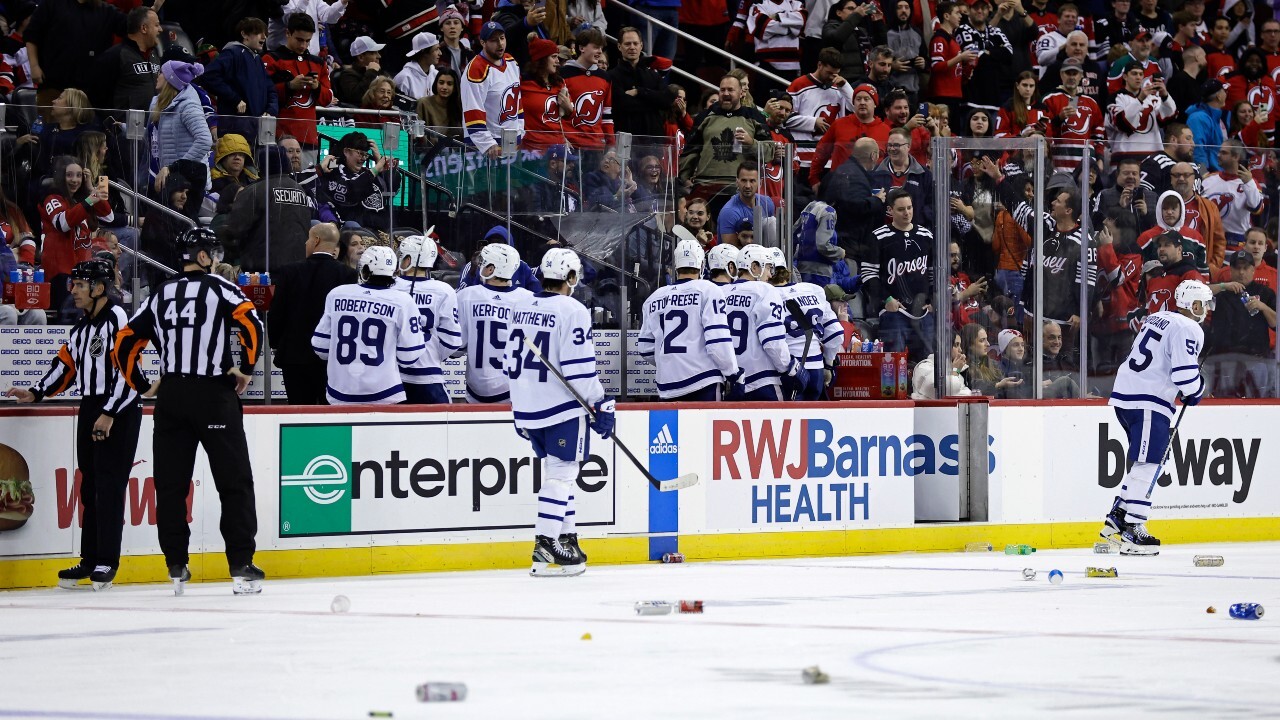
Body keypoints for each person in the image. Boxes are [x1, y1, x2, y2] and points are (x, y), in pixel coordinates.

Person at [111, 228, 265, 595]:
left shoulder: (161, 293)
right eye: (210, 251)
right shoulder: (220, 288)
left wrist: (142, 383)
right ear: (200, 256)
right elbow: (251, 321)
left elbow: (125, 341)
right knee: (234, 481)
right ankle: (241, 563)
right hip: (213, 394)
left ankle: (176, 563)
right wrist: (245, 366)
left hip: (173, 397)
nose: (213, 257)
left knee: (170, 484)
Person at [7, 259, 146, 590]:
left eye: (80, 286)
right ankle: (90, 558)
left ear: (98, 289)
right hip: (92, 406)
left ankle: (107, 561)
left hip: (120, 409)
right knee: (90, 487)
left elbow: (130, 373)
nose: (73, 291)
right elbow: (65, 366)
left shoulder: (118, 319)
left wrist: (110, 413)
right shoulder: (83, 327)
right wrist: (36, 392)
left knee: (110, 487)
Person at [504, 247, 611, 576]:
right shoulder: (573, 309)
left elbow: (508, 361)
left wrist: (519, 403)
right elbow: (579, 371)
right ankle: (546, 545)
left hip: (525, 407)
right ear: (571, 277)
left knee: (559, 475)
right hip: (561, 408)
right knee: (562, 475)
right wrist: (601, 404)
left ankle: (567, 538)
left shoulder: (520, 306)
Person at [1103, 279, 1210, 556]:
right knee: (1150, 463)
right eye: (1205, 305)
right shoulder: (1190, 327)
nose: (1207, 311)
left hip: (1125, 396)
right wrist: (1196, 391)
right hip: (1149, 400)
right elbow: (1185, 376)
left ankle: (1116, 520)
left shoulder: (1157, 317)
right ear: (1194, 305)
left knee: (1144, 462)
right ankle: (1134, 530)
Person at [311, 244, 428, 405]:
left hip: (339, 393)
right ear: (393, 271)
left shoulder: (337, 294)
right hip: (385, 393)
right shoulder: (402, 300)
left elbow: (321, 347)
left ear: (363, 268)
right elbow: (409, 356)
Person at [637, 239, 740, 401]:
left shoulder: (654, 297)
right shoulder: (708, 290)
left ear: (676, 267)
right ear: (701, 266)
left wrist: (671, 362)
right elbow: (717, 341)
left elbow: (645, 348)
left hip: (667, 385)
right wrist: (732, 372)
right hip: (703, 381)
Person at [268, 223, 356, 405]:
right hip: (332, 359)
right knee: (329, 412)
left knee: (298, 412)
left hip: (294, 357)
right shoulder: (347, 274)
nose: (306, 243)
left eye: (308, 239)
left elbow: (276, 313)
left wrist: (276, 343)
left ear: (316, 240)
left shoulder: (289, 271)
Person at [723, 243, 809, 401]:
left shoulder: (720, 293)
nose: (770, 275)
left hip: (730, 381)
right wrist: (790, 368)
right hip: (761, 381)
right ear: (754, 267)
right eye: (769, 268)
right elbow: (772, 341)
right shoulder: (765, 290)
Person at [455, 243, 534, 403]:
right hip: (515, 390)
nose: (479, 266)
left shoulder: (466, 295)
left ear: (491, 269)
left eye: (483, 262)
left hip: (476, 391)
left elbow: (458, 346)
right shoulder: (530, 300)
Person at [679, 74, 774, 203]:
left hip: (740, 188)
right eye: (722, 90)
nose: (725, 93)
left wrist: (751, 143)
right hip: (705, 186)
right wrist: (685, 179)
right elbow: (690, 150)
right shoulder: (705, 116)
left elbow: (769, 152)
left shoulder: (754, 116)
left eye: (730, 90)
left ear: (741, 93)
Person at [865, 188, 935, 361]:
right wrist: (886, 299)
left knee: (929, 361)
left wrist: (933, 300)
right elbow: (868, 275)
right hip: (893, 312)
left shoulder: (926, 235)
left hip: (923, 312)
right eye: (901, 209)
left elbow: (934, 274)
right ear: (890, 210)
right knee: (894, 362)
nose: (907, 213)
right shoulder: (879, 237)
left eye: (909, 208)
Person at [766, 246, 843, 399]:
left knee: (791, 420)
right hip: (816, 368)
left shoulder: (766, 295)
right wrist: (828, 364)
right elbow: (836, 332)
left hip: (789, 369)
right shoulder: (813, 290)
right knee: (811, 419)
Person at [41, 157, 114, 316]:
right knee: (70, 318)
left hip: (82, 270)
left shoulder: (82, 199)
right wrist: (90, 199)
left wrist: (89, 188)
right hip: (59, 272)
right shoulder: (51, 198)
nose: (75, 180)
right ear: (61, 176)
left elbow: (109, 217)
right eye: (69, 175)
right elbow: (62, 224)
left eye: (79, 175)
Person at [224, 145, 314, 272]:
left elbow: (234, 230)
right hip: (298, 267)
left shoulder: (254, 191)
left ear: (261, 165)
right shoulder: (300, 190)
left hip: (263, 269)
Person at [24, 0, 126, 109]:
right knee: (49, 121)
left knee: (89, 124)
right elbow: (31, 35)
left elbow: (133, 27)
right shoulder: (50, 4)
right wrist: (34, 66)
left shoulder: (107, 11)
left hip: (90, 88)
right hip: (53, 82)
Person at [1205, 249, 1276, 398]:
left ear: (1253, 270)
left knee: (1260, 406)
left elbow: (1276, 324)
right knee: (1222, 406)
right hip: (1224, 361)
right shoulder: (1221, 291)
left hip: (1256, 359)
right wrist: (1224, 286)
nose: (1241, 272)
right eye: (1237, 268)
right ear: (1230, 270)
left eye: (1245, 268)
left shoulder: (1265, 293)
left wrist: (1262, 307)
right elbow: (1199, 293)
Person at [151, 59, 215, 221]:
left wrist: (175, 167)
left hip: (189, 184)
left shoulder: (188, 106)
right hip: (173, 181)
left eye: (161, 73)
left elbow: (205, 140)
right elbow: (154, 135)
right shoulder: (164, 105)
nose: (157, 76)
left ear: (170, 79)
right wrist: (124, 128)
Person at [202, 17, 279, 143]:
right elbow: (209, 76)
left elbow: (271, 89)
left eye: (265, 33)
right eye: (258, 32)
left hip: (257, 130)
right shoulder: (232, 53)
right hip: (235, 129)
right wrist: (235, 99)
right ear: (244, 34)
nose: (264, 37)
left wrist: (270, 110)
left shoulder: (258, 60)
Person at [265, 14, 333, 153]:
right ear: (288, 33)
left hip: (309, 138)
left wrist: (316, 87)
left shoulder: (319, 63)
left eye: (308, 41)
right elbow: (261, 94)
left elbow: (328, 99)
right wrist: (289, 86)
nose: (303, 45)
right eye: (299, 40)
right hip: (279, 136)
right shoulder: (271, 59)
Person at [786, 48, 853, 176]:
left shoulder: (840, 87)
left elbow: (858, 109)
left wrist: (845, 87)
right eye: (828, 72)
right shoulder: (798, 85)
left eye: (835, 74)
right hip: (804, 158)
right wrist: (813, 122)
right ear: (819, 65)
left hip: (832, 159)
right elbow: (785, 118)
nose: (831, 77)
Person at [808, 83, 888, 188]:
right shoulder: (838, 125)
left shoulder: (886, 130)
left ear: (875, 103)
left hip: (873, 187)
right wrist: (814, 179)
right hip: (840, 186)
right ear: (853, 103)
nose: (862, 102)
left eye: (867, 99)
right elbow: (822, 152)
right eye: (858, 99)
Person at [461, 22, 522, 159]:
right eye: (493, 40)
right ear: (482, 42)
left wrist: (520, 133)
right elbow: (473, 111)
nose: (500, 44)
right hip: (485, 149)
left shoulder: (511, 61)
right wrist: (487, 144)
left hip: (512, 143)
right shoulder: (476, 69)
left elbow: (518, 103)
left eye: (502, 38)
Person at [316, 131, 399, 231]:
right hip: (356, 235)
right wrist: (376, 169)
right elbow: (352, 191)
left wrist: (378, 158)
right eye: (360, 153)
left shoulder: (367, 172)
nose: (363, 158)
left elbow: (393, 186)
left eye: (365, 154)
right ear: (346, 152)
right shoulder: (334, 171)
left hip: (382, 233)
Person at [94, 6, 161, 119]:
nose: (160, 29)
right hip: (124, 130)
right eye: (156, 25)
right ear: (144, 28)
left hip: (152, 128)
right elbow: (98, 95)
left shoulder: (154, 55)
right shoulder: (115, 55)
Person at [1200, 139, 1264, 256]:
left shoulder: (1250, 182)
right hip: (1209, 242)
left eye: (1224, 153)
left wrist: (1249, 183)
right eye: (1220, 152)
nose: (1218, 155)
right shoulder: (1209, 179)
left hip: (1237, 245)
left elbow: (1257, 208)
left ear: (1236, 156)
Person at [609, 27, 675, 139]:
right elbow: (622, 104)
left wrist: (639, 92)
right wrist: (653, 101)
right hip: (625, 140)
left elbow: (667, 100)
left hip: (654, 140)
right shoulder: (611, 76)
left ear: (641, 46)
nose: (632, 47)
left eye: (635, 43)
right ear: (619, 46)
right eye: (627, 44)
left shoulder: (653, 75)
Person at [560, 28, 614, 154]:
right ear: (581, 48)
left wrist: (611, 146)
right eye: (595, 47)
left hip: (596, 147)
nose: (600, 52)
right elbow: (556, 115)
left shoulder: (605, 77)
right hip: (570, 146)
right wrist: (561, 138)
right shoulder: (562, 75)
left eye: (601, 48)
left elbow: (607, 115)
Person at [457, 225, 543, 291]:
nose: (495, 247)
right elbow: (460, 294)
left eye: (499, 243)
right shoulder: (475, 264)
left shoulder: (520, 265)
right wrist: (472, 273)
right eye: (491, 243)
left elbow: (537, 293)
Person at [717, 164, 776, 247]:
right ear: (737, 182)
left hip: (764, 254)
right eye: (744, 180)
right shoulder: (729, 211)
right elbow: (731, 251)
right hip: (737, 256)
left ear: (760, 183)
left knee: (772, 221)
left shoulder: (767, 203)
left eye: (752, 181)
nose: (748, 186)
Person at [1187, 79, 1227, 172]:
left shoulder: (1215, 116)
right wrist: (1203, 174)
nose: (1226, 94)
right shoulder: (1199, 118)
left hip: (1217, 172)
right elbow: (1197, 150)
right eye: (1224, 91)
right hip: (1208, 174)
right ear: (1219, 96)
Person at [417, 67, 464, 141]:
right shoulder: (423, 103)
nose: (444, 87)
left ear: (455, 87)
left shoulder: (460, 106)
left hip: (455, 151)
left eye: (449, 84)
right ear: (436, 84)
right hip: (428, 150)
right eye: (441, 83)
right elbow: (418, 133)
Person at [395, 32, 441, 100]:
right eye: (436, 49)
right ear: (424, 52)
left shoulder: (436, 74)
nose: (440, 53)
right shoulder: (405, 78)